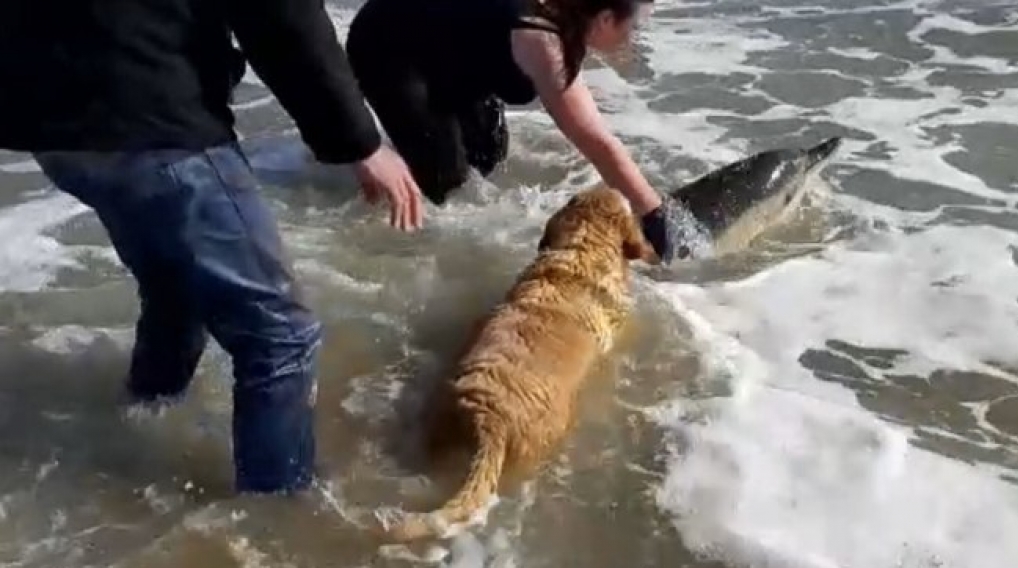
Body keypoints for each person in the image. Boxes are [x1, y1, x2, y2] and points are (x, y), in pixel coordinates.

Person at [0, 0, 425, 495]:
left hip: (50, 124)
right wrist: (360, 144)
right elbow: (280, 18)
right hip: (149, 115)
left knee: (174, 291)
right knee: (280, 333)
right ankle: (277, 521)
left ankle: (142, 415)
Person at [345, 0, 690, 264]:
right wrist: (659, 222)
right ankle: (373, 230)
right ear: (603, 19)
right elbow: (599, 145)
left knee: (488, 158)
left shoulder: (566, 15)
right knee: (449, 192)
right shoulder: (542, 38)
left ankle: (406, 152)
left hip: (452, 49)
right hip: (389, 48)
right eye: (635, 24)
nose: (636, 35)